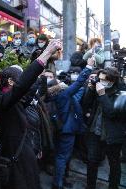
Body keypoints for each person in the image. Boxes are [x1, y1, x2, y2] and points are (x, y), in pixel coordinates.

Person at [0, 40, 62, 189]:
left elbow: (29, 88)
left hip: (25, 154)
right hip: (15, 161)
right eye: (21, 77)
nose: (24, 80)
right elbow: (23, 85)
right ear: (10, 81)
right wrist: (46, 53)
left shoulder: (17, 99)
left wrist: (39, 67)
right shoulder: (0, 100)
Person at [45, 56, 95, 189]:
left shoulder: (52, 96)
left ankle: (61, 179)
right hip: (67, 130)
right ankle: (58, 184)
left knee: (60, 156)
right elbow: (79, 83)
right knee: (62, 157)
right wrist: (89, 66)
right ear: (58, 86)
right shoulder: (64, 95)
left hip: (59, 128)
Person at [82, 67, 126, 189]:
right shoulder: (97, 90)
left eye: (104, 80)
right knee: (91, 161)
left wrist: (102, 94)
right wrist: (91, 90)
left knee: (114, 164)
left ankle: (113, 186)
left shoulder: (121, 94)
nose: (101, 82)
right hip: (95, 132)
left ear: (112, 81)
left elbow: (111, 113)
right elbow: (85, 106)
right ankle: (90, 186)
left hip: (112, 135)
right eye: (99, 79)